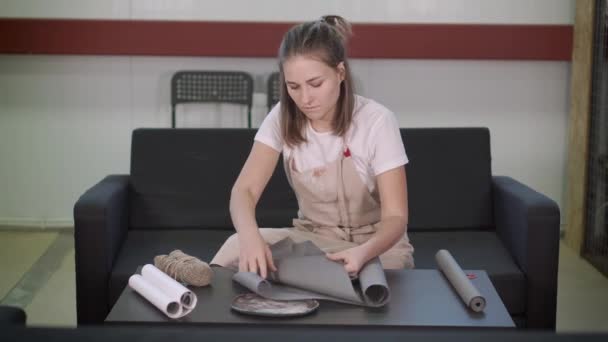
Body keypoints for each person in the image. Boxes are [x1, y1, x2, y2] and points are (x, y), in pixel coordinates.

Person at [211, 15, 414, 278]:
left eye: (315, 84)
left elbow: (396, 217)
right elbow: (244, 191)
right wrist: (250, 239)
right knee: (235, 246)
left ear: (340, 73)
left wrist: (363, 253)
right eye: (293, 86)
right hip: (315, 240)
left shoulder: (377, 120)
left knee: (378, 279)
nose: (305, 99)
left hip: (376, 247)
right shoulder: (281, 117)